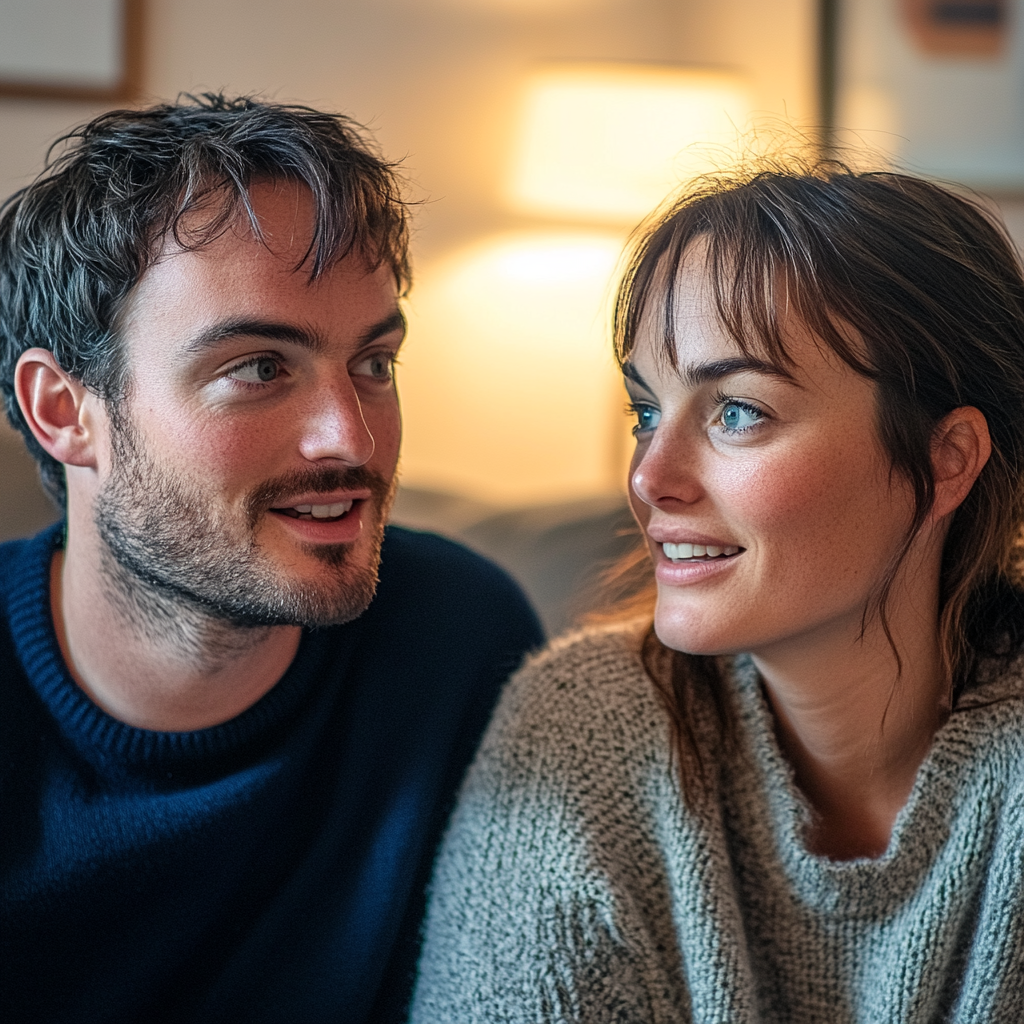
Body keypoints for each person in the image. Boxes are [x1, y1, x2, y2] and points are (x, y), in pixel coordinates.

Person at [411, 162, 1024, 1022]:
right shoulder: (584, 732)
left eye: (738, 411)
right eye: (646, 412)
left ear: (945, 458)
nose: (649, 477)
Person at [0, 94, 542, 1024]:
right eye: (257, 368)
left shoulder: (459, 639)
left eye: (374, 364)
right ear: (65, 412)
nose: (351, 437)